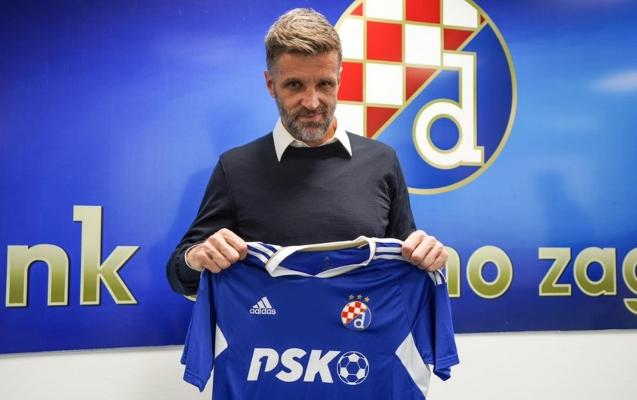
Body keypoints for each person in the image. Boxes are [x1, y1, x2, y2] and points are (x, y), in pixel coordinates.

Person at [166, 8, 447, 296]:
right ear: (271, 85)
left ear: (339, 79)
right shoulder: (235, 168)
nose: (312, 102)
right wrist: (197, 257)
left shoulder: (382, 161)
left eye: (324, 84)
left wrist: (426, 254)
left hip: (363, 323)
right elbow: (179, 274)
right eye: (295, 85)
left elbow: (406, 259)